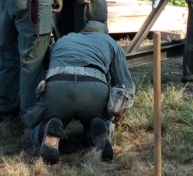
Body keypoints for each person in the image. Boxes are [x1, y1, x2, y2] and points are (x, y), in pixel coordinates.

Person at [24, 20, 135, 164]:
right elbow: (125, 85)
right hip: (94, 89)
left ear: (84, 31)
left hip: (57, 87)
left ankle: (46, 130)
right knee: (105, 120)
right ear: (103, 33)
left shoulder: (64, 39)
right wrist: (120, 112)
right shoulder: (110, 42)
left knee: (37, 122)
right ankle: (100, 130)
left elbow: (46, 66)